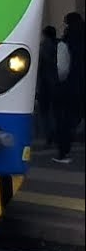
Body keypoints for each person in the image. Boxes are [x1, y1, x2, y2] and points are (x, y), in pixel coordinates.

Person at [52, 12, 85, 164]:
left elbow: (62, 69)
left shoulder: (65, 42)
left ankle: (63, 153)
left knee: (65, 120)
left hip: (71, 86)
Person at [37, 26, 59, 145]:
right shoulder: (59, 45)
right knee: (54, 111)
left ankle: (49, 136)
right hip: (56, 82)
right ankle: (55, 134)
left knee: (45, 112)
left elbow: (40, 64)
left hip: (45, 83)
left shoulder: (44, 46)